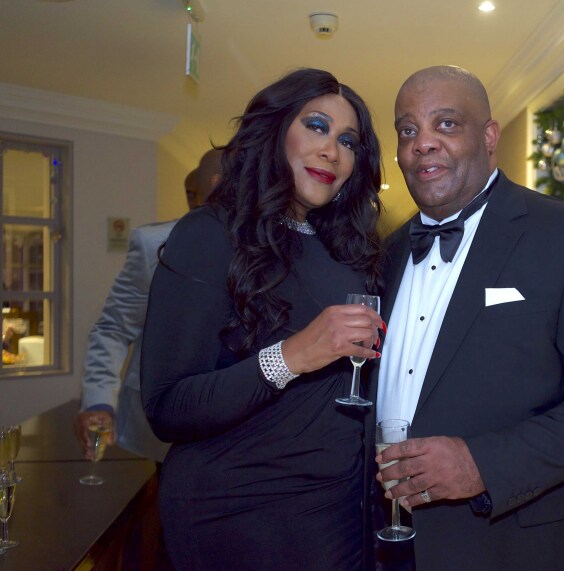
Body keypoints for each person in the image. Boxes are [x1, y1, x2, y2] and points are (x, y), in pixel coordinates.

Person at [373, 65, 564, 570]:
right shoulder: (384, 255)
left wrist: (482, 464)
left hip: (526, 546)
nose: (423, 143)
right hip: (398, 544)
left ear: (489, 137)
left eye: (446, 124)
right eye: (407, 130)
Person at [140, 68, 385, 571]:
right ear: (274, 131)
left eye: (347, 141)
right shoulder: (211, 233)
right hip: (242, 512)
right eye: (316, 126)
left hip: (341, 509)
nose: (332, 151)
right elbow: (167, 407)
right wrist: (293, 356)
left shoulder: (349, 249)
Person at [74, 149, 222, 463]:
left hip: (232, 439)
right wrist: (99, 401)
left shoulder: (272, 248)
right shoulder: (155, 244)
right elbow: (114, 329)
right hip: (154, 432)